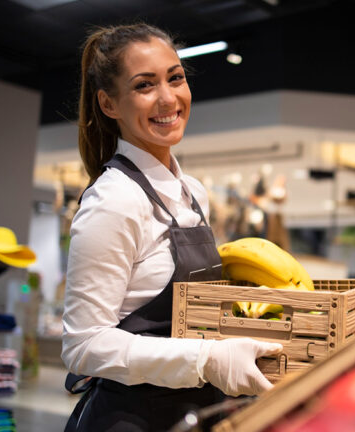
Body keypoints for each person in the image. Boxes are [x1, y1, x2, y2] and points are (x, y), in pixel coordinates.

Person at [61, 23, 283, 432]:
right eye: (145, 85)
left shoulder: (193, 193)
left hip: (194, 411)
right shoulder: (114, 201)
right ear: (109, 104)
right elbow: (83, 345)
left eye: (175, 78)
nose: (168, 98)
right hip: (131, 418)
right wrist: (206, 360)